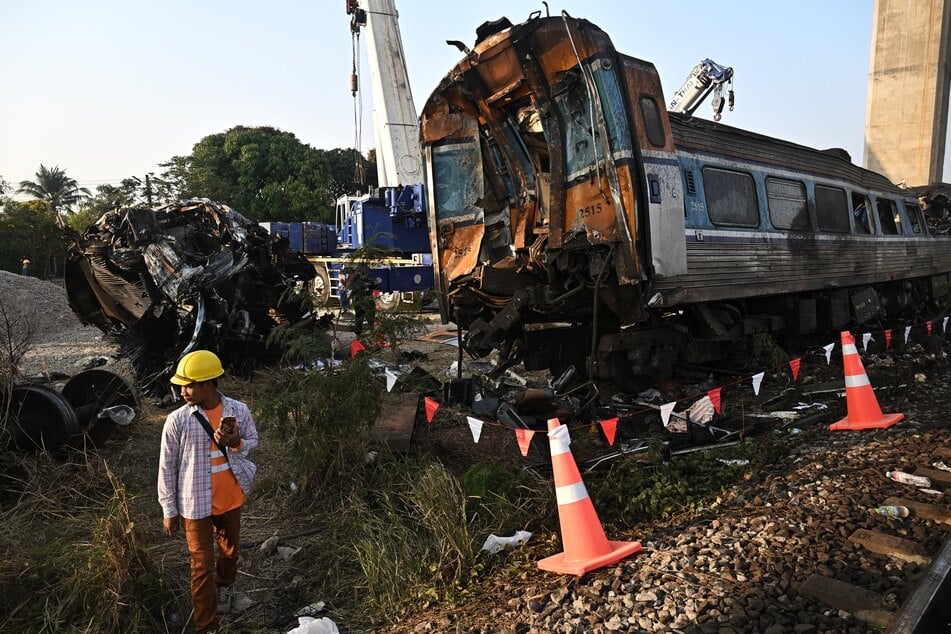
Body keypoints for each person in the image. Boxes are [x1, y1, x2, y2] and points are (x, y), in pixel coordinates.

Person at [158, 350, 259, 634]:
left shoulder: (238, 410)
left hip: (230, 498)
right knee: (201, 566)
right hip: (194, 505)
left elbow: (253, 442)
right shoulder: (177, 421)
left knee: (229, 552)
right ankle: (208, 627)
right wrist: (169, 510)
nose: (182, 391)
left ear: (209, 385)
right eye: (180, 385)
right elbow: (167, 467)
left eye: (189, 385)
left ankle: (225, 588)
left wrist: (236, 441)